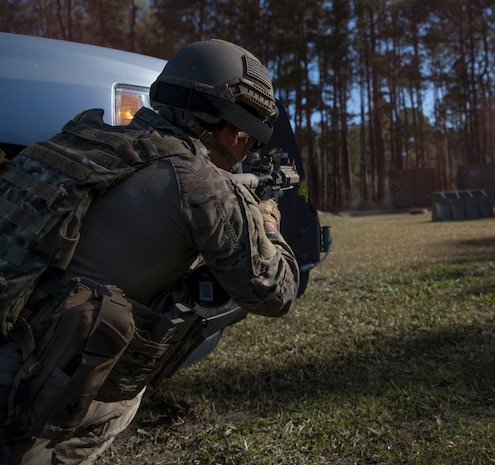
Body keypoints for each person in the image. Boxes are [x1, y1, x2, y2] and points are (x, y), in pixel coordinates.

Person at [0, 39, 299, 464]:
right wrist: (267, 218)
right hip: (21, 386)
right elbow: (276, 293)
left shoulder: (84, 139)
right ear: (236, 128)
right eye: (251, 137)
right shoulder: (203, 185)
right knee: (124, 397)